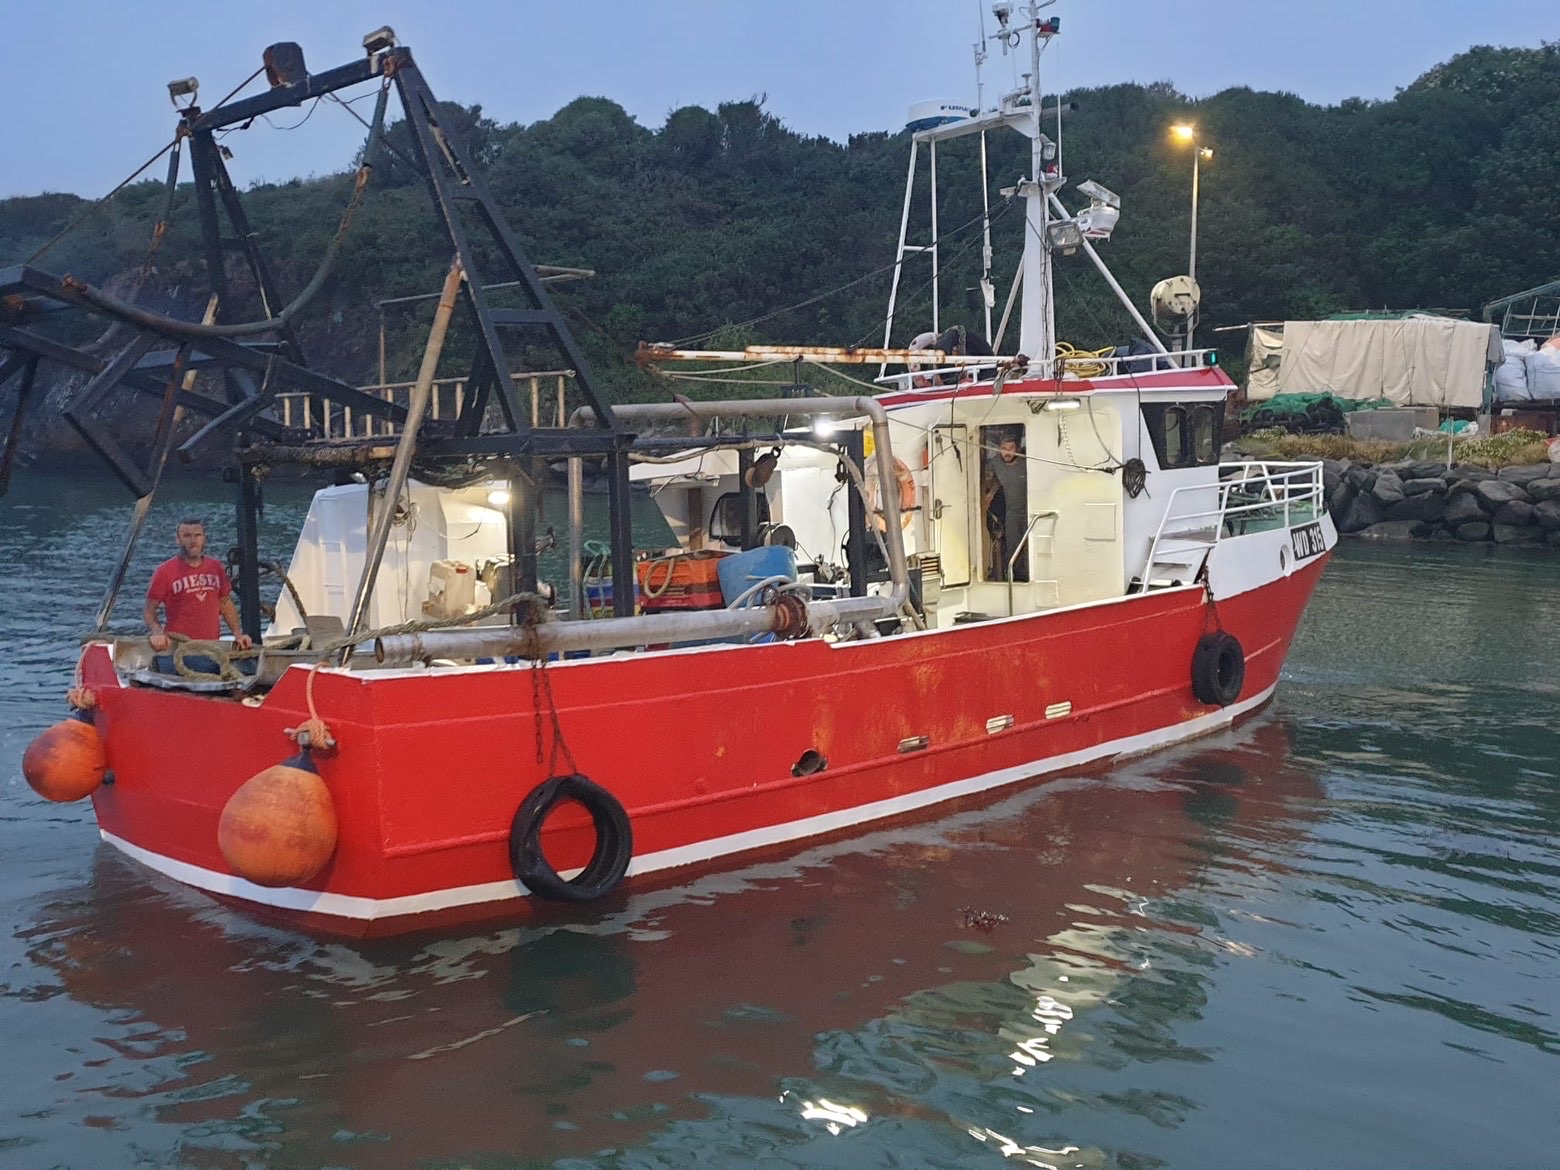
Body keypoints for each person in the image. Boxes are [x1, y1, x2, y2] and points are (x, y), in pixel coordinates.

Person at [144, 518, 253, 674]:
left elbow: (225, 602)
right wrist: (157, 632)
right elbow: (149, 611)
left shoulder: (215, 567)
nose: (193, 541)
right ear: (178, 539)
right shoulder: (164, 572)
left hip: (211, 648)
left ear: (204, 538)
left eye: (197, 535)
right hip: (180, 650)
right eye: (187, 536)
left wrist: (237, 633)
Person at [983, 431, 1030, 582]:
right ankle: (1014, 578)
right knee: (1013, 548)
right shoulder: (996, 463)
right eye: (1004, 448)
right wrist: (991, 493)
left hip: (1029, 510)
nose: (1007, 452)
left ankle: (1029, 575)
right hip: (1012, 512)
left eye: (1011, 448)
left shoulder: (1026, 462)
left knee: (1030, 548)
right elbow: (998, 479)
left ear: (1017, 448)